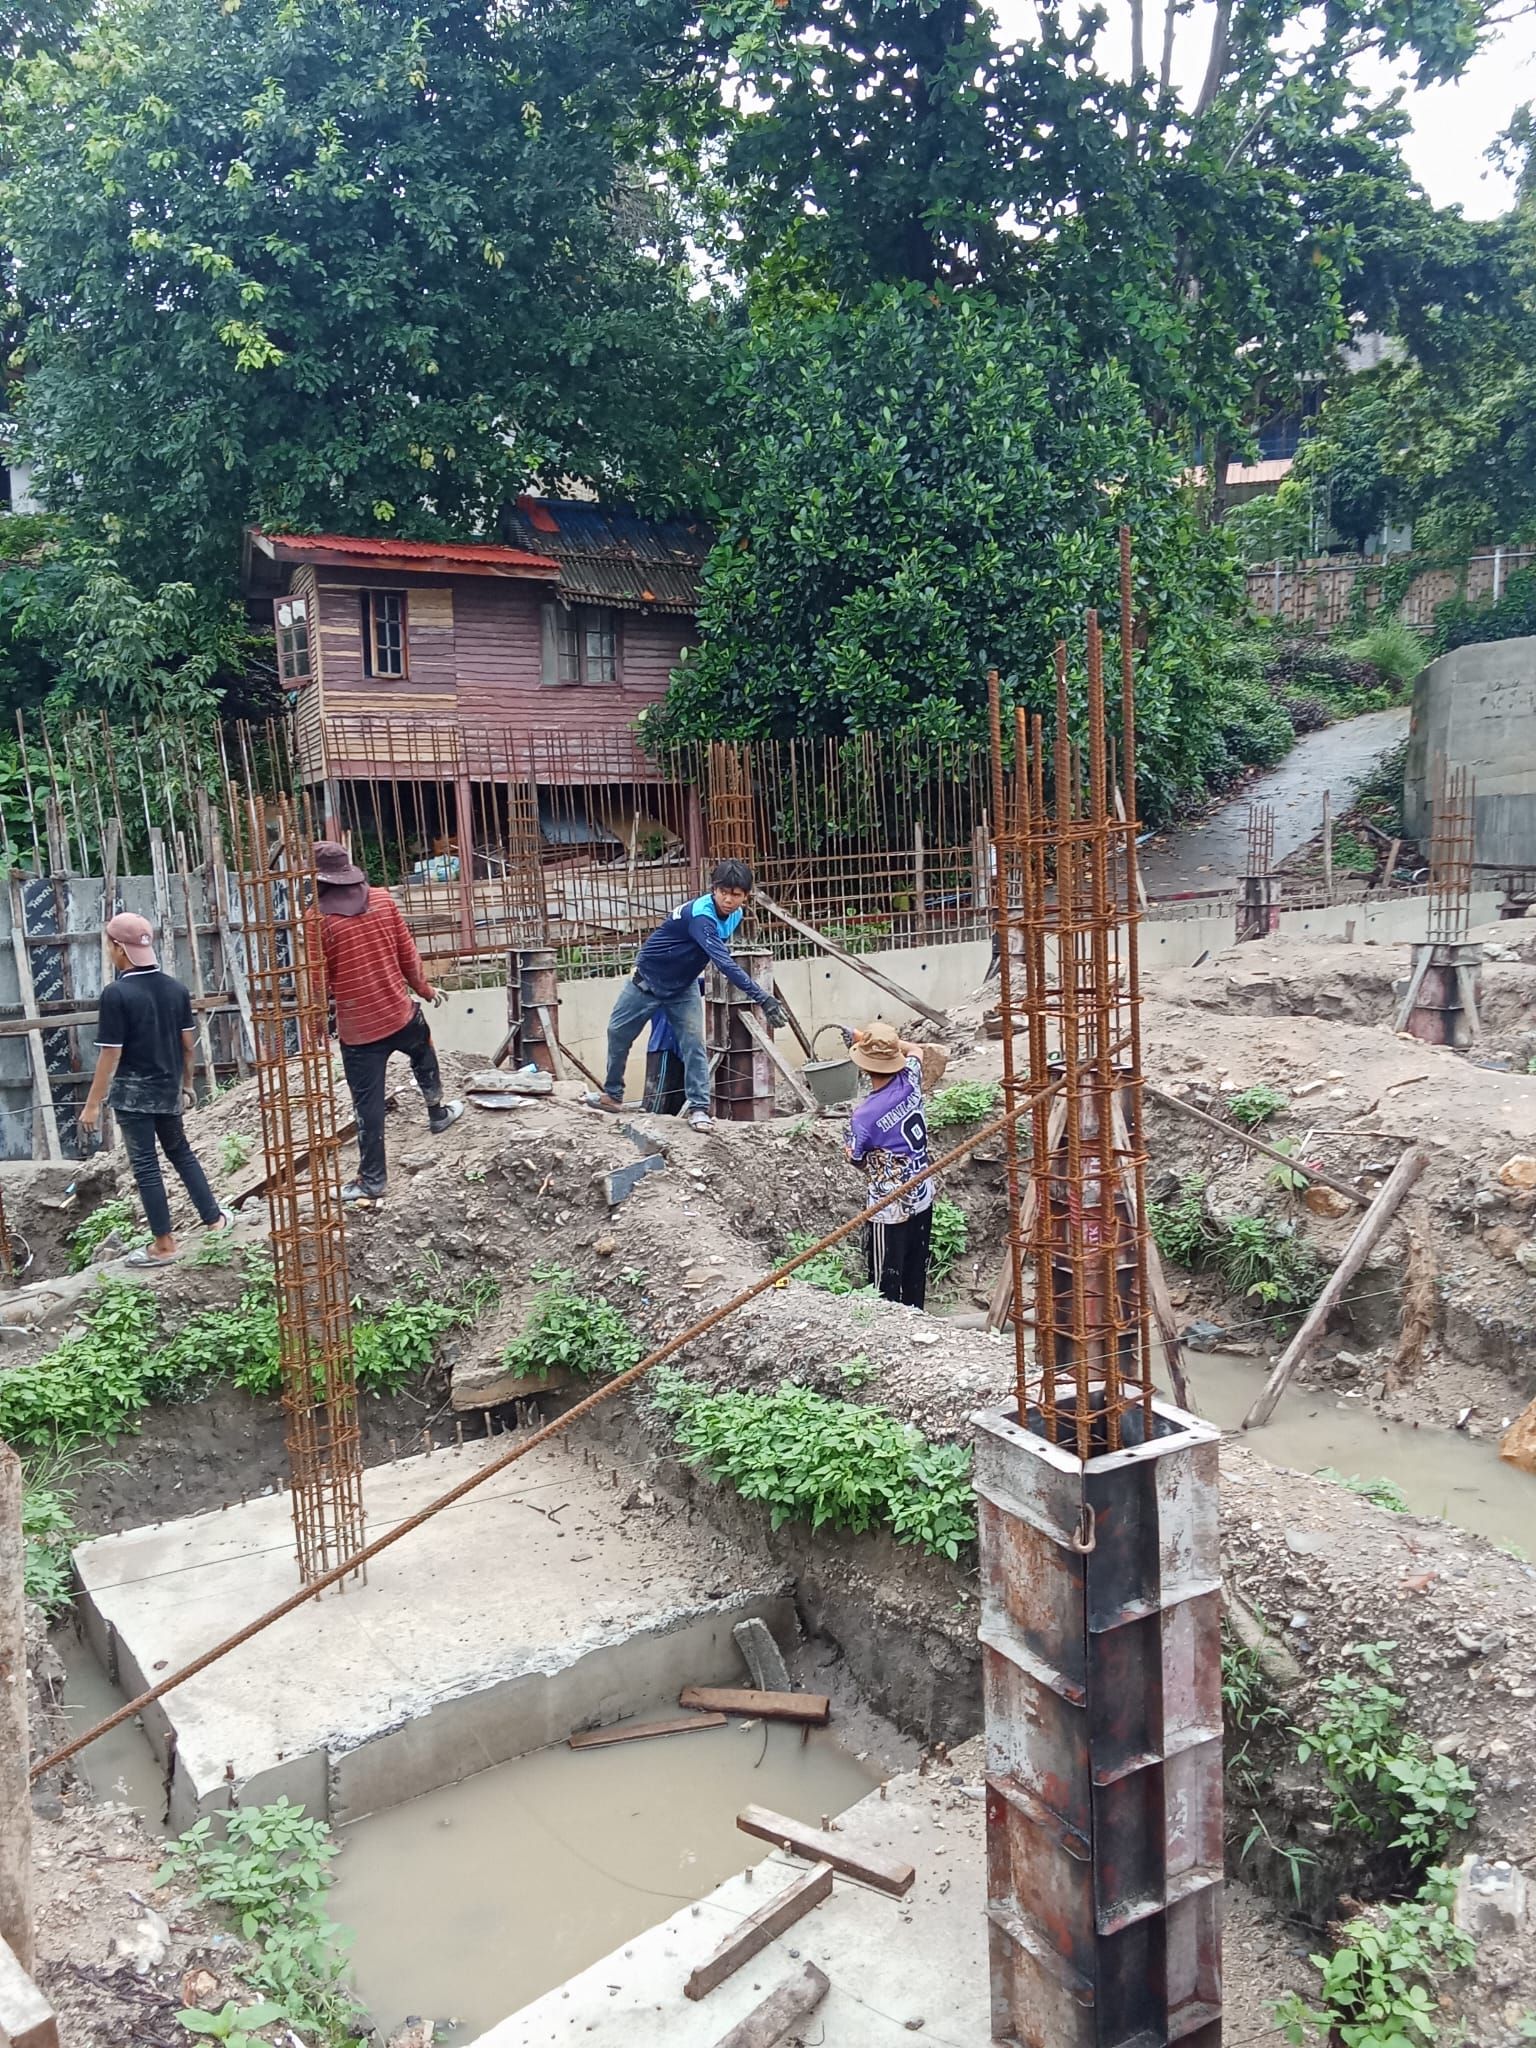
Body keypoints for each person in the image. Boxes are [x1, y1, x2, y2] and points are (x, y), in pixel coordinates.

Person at [313, 840, 463, 1208]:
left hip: (360, 1032)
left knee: (367, 1104)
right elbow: (406, 952)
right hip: (401, 1013)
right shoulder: (382, 899)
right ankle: (437, 1112)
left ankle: (373, 1180)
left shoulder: (317, 921)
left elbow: (317, 982)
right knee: (423, 1049)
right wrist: (424, 989)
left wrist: (316, 1027)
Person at [79, 912, 230, 1265]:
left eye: (108, 945)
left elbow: (111, 1053)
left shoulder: (116, 994)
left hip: (133, 1097)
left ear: (119, 948)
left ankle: (164, 1245)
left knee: (146, 1166)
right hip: (167, 1090)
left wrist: (92, 1104)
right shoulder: (175, 989)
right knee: (181, 1153)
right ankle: (215, 1219)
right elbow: (188, 1045)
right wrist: (187, 1084)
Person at [593, 860, 787, 1131]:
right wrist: (763, 998)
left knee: (693, 1045)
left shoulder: (736, 916)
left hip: (682, 987)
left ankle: (699, 1109)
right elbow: (723, 962)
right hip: (646, 981)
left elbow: (705, 953)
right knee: (617, 1033)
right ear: (713, 889)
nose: (728, 900)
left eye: (736, 894)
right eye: (724, 892)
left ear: (745, 895)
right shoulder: (701, 916)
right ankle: (613, 1095)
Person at [844, 1020, 948, 1309]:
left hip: (888, 1207)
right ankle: (916, 1322)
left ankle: (886, 1330)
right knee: (915, 1273)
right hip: (922, 1193)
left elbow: (856, 1158)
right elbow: (915, 1050)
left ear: (864, 1067)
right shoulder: (910, 1077)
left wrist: (866, 1041)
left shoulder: (864, 1117)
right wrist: (883, 1043)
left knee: (884, 1285)